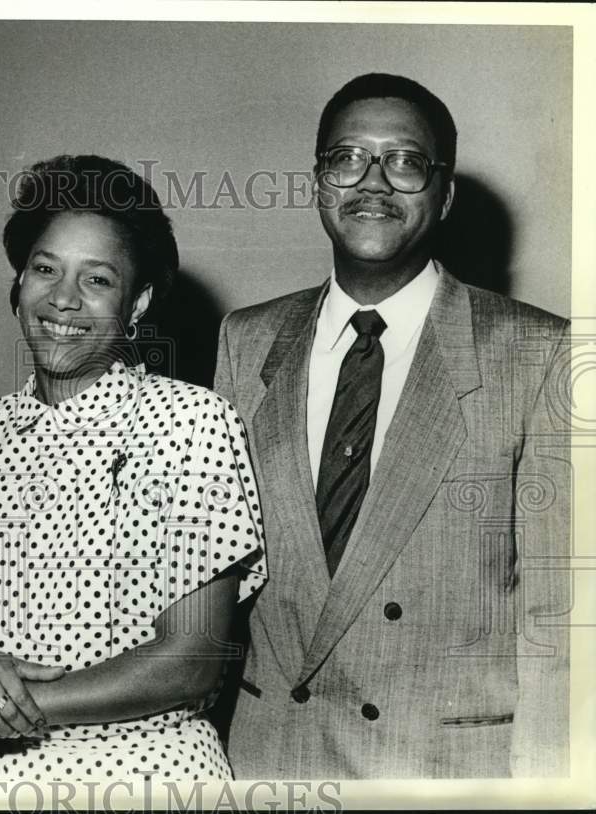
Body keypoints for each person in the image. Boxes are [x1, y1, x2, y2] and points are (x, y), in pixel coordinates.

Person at [216, 73, 571, 778]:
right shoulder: (245, 340)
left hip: (442, 770)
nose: (372, 181)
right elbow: (210, 580)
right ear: (318, 181)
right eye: (346, 157)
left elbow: (559, 620)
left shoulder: (538, 352)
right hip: (271, 759)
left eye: (405, 161)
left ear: (444, 194)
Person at [0, 155, 266, 782]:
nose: (64, 298)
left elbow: (191, 659)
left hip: (153, 776)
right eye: (45, 269)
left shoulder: (190, 422)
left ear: (138, 303)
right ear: (18, 284)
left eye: (97, 280)